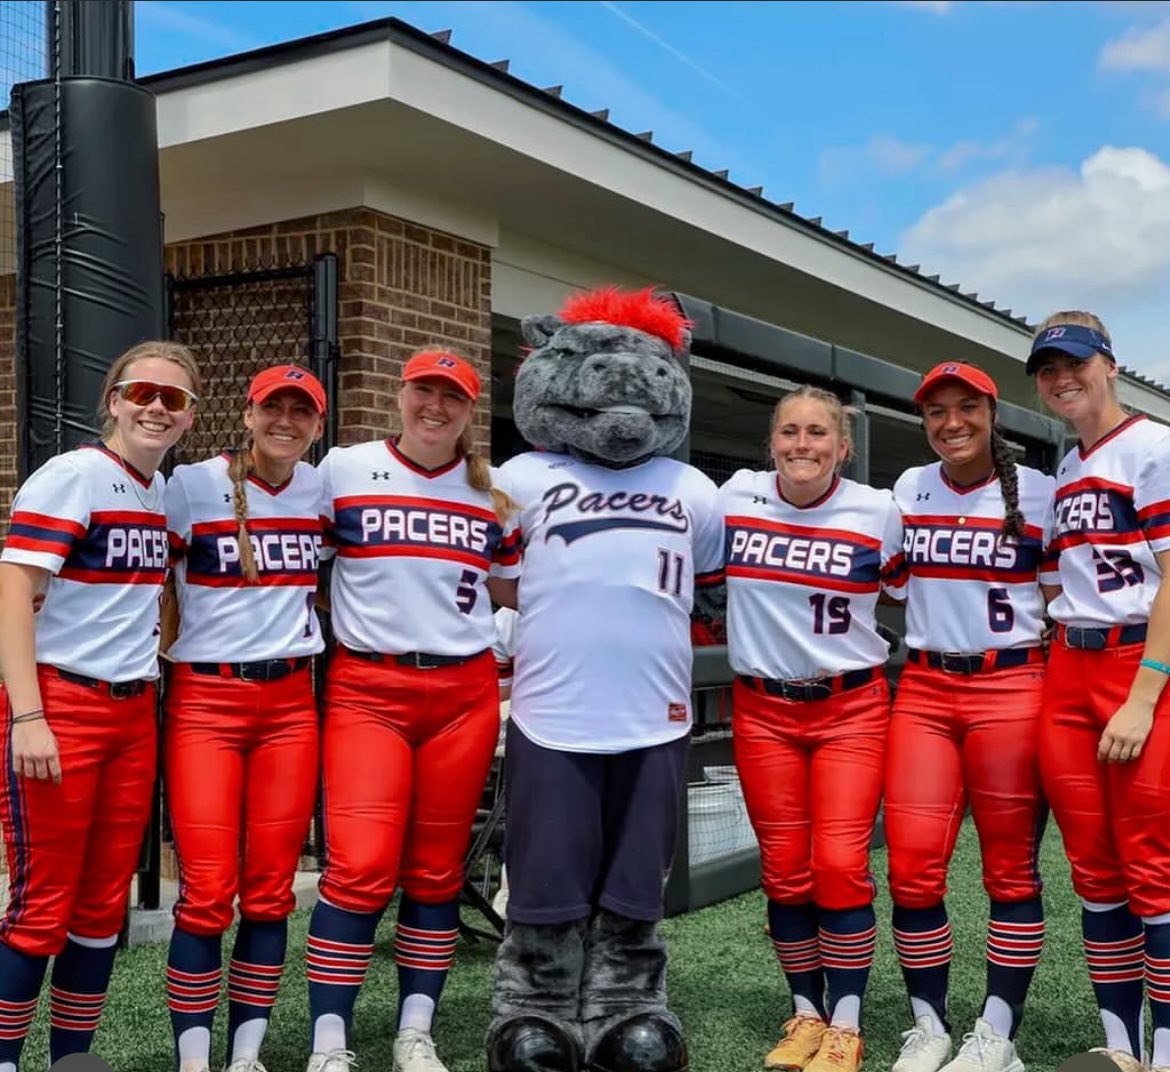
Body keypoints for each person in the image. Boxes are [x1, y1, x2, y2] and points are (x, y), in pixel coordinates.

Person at [303, 349, 519, 1072]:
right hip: (370, 686)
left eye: (452, 396)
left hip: (463, 693)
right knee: (359, 867)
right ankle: (329, 1041)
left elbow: (518, 591)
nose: (436, 406)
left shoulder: (495, 492)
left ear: (469, 409)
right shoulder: (341, 468)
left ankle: (413, 1033)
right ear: (401, 395)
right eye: (424, 391)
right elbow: (295, 555)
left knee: (434, 872)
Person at [0, 340, 200, 1070]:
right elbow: (13, 588)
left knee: (100, 906)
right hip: (62, 701)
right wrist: (28, 714)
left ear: (187, 420)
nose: (155, 405)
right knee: (43, 902)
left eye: (172, 399)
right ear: (113, 400)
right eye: (141, 391)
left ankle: (71, 1059)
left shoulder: (156, 491)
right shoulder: (76, 473)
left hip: (130, 709)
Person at [721, 385, 905, 1072]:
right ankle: (805, 1010)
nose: (803, 445)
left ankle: (847, 1022)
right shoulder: (734, 498)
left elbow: (919, 589)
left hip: (850, 705)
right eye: (790, 432)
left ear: (843, 446)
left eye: (818, 433)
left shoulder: (879, 511)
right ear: (771, 442)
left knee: (838, 864)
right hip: (764, 707)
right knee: (785, 871)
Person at [884, 361, 1056, 1072]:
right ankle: (929, 1027)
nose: (951, 423)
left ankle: (997, 1032)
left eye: (966, 409)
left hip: (1013, 687)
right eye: (936, 412)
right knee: (913, 869)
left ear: (992, 413)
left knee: (1010, 871)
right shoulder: (908, 486)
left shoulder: (1043, 493)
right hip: (925, 690)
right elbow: (890, 584)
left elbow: (1065, 601)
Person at [162, 364, 329, 1072]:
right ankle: (195, 1061)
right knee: (206, 893)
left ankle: (246, 1056)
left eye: (303, 411)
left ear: (319, 425)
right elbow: (146, 582)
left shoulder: (323, 487)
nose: (286, 421)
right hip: (205, 699)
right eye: (274, 407)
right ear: (249, 412)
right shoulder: (192, 485)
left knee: (269, 891)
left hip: (291, 702)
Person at [1027, 313, 1170, 1072]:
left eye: (1073, 363)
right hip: (1068, 670)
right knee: (1093, 866)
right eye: (1047, 370)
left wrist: (1146, 691)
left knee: (1152, 860)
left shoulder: (1154, 447)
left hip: (1132, 663)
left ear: (1110, 365)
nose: (1060, 378)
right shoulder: (1067, 469)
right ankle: (1120, 1050)